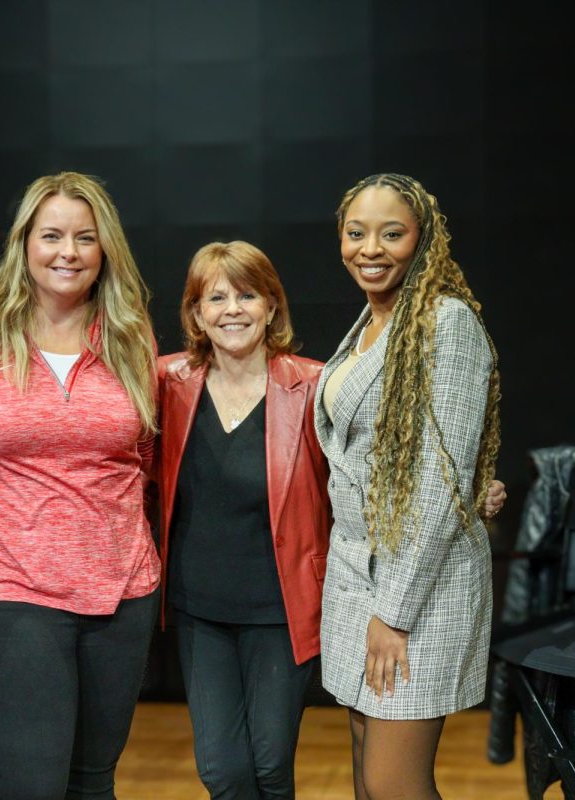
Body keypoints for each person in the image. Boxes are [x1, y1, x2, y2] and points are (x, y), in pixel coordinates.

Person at [0, 172, 159, 800]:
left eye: (85, 238)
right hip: (12, 589)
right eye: (52, 235)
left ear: (104, 250)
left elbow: (141, 451)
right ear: (24, 244)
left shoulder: (129, 333)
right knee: (29, 786)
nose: (68, 251)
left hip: (121, 591)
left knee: (93, 783)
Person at [315, 173, 502, 799]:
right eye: (356, 232)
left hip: (415, 592)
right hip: (352, 580)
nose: (372, 248)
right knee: (368, 773)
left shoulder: (445, 324)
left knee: (394, 784)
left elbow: (439, 485)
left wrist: (393, 615)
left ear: (421, 239)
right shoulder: (365, 329)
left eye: (392, 233)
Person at [156, 241, 330, 799]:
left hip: (280, 610)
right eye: (217, 297)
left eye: (248, 295)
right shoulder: (166, 382)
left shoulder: (313, 386)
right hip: (198, 609)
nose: (233, 309)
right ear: (196, 313)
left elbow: (370, 476)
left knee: (271, 766)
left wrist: (474, 490)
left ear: (272, 307)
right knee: (222, 772)